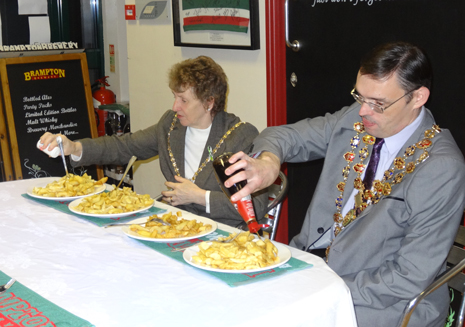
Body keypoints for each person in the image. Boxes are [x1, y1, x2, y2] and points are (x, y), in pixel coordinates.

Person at [222, 42, 465, 327]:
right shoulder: (358, 117)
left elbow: (407, 277)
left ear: (418, 97)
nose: (363, 111)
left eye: (378, 103)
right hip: (311, 267)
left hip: (377, 302)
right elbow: (283, 137)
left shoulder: (440, 167)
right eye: (360, 97)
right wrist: (268, 162)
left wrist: (322, 287)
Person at [39, 56, 268, 227]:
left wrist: (200, 197)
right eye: (175, 97)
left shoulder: (240, 136)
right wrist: (75, 147)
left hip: (221, 236)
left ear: (209, 103)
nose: (174, 107)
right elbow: (126, 146)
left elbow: (255, 208)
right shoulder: (170, 125)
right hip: (174, 226)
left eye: (183, 100)